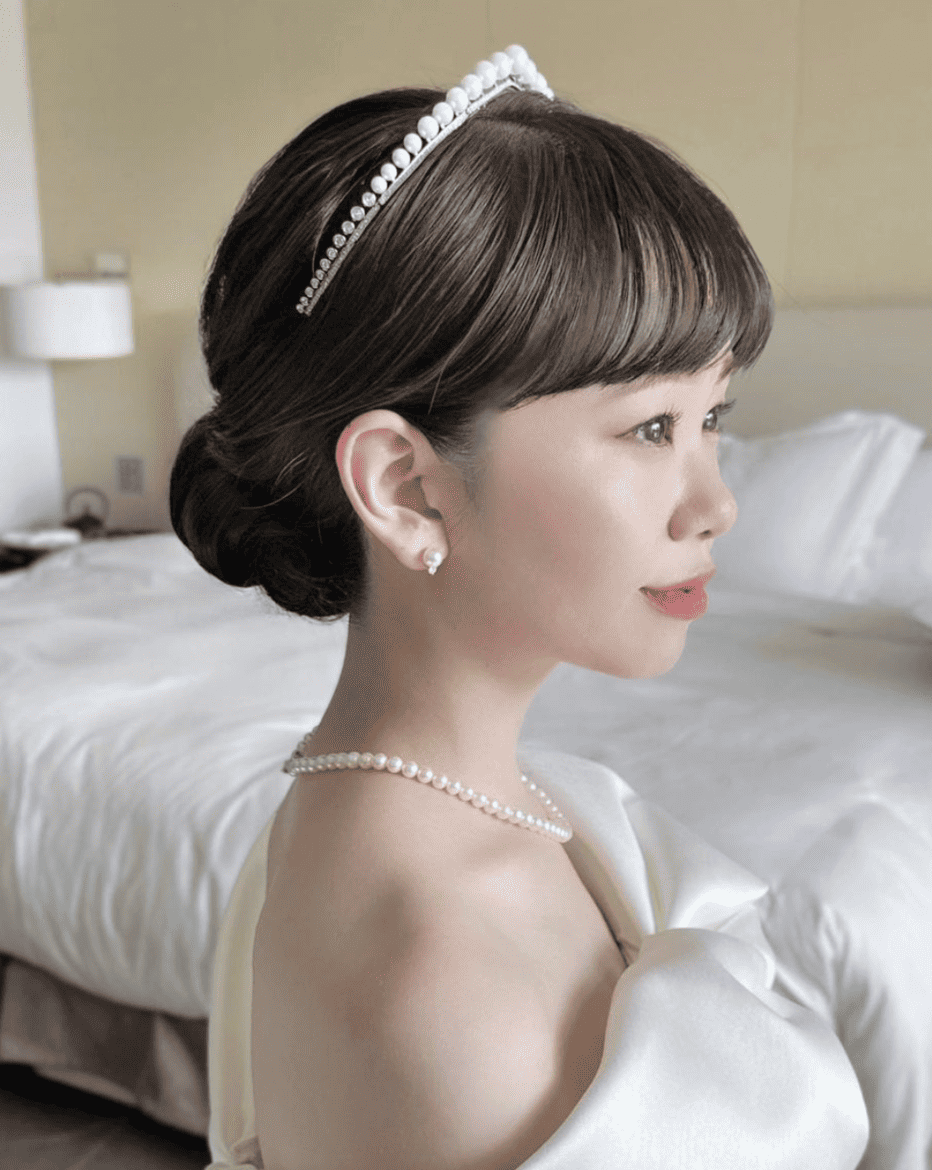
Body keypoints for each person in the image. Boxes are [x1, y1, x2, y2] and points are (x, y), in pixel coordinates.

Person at [171, 46, 868, 1170]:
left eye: (714, 419)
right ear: (404, 487)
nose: (716, 504)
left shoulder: (382, 815)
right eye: (650, 428)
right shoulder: (454, 986)